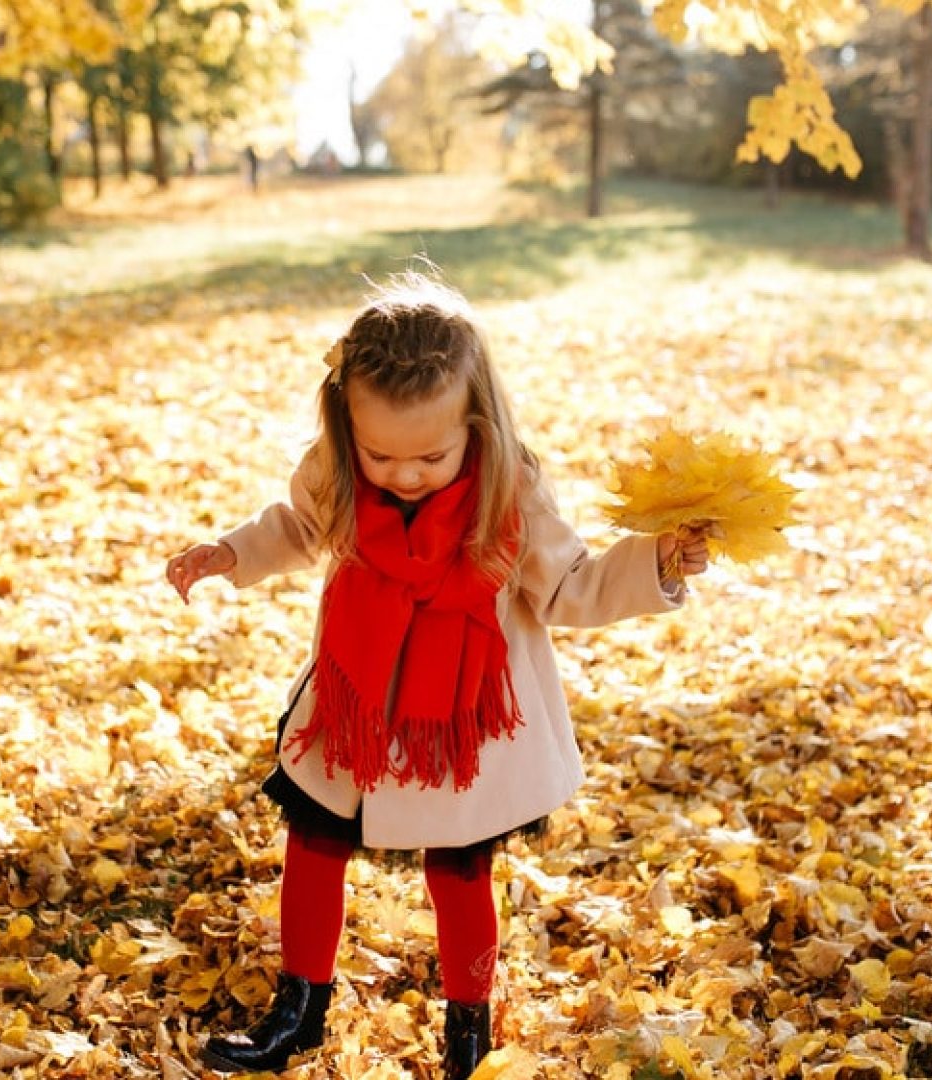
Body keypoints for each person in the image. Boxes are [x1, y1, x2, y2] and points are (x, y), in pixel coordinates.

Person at [164, 272, 712, 1079]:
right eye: (381, 453)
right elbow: (298, 525)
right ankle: (299, 1008)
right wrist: (231, 553)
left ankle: (469, 1032)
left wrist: (657, 564)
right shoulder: (342, 467)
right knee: (313, 843)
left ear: (476, 424)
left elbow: (571, 586)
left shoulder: (509, 491)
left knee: (459, 871)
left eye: (430, 455)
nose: (406, 475)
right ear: (348, 426)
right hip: (359, 703)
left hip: (461, 728)